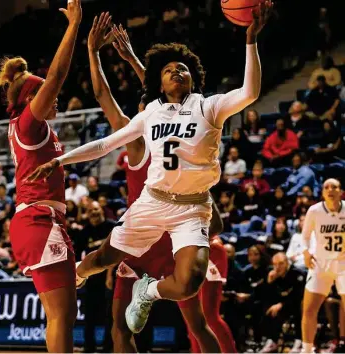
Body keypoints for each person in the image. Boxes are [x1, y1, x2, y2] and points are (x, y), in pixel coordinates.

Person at [28, 1, 271, 338]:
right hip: (152, 202)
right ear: (158, 81)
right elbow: (104, 144)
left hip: (192, 207)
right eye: (169, 68)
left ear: (193, 79)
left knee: (188, 283)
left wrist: (251, 40)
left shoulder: (208, 106)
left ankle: (148, 291)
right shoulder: (151, 112)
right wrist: (59, 160)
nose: (177, 71)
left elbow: (250, 92)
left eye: (183, 68)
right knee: (103, 258)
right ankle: (80, 272)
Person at [85, 16, 235, 353]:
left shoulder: (139, 143)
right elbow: (164, 96)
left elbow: (104, 94)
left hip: (143, 238)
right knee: (198, 326)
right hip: (172, 238)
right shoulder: (173, 134)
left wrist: (94, 53)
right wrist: (132, 59)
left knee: (121, 330)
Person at [0, 1, 82, 352]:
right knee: (61, 315)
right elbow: (57, 76)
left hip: (39, 220)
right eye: (47, 93)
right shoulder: (29, 122)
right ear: (32, 97)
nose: (55, 97)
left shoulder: (27, 126)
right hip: (37, 220)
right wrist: (73, 26)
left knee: (61, 315)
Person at [301, 179, 345, 353]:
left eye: (334, 186)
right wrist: (305, 252)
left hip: (343, 264)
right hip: (320, 264)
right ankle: (306, 350)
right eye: (326, 187)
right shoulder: (315, 210)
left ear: (341, 191)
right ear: (322, 193)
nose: (330, 190)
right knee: (309, 308)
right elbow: (305, 236)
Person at [259, 252, 305, 353]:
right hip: (282, 305)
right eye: (275, 264)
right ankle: (272, 341)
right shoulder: (273, 274)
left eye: (281, 264)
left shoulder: (297, 274)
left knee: (300, 308)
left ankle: (299, 341)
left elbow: (298, 296)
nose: (277, 267)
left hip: (296, 304)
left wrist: (281, 304)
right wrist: (269, 282)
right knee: (265, 307)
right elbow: (266, 295)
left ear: (287, 263)